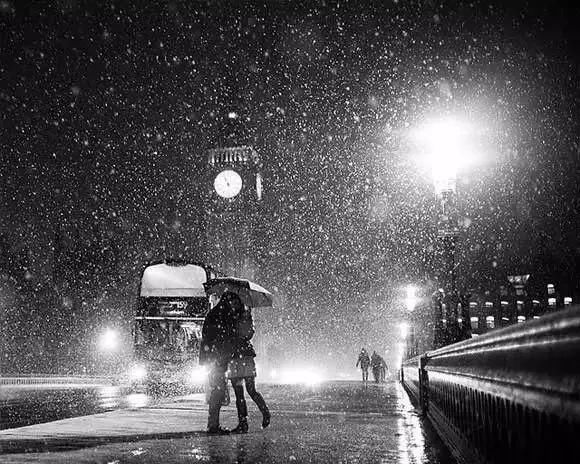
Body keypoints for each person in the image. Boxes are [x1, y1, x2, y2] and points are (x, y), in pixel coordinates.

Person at [227, 299, 271, 433]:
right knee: (251, 390)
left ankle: (243, 423)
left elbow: (229, 335)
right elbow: (250, 334)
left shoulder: (231, 317)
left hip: (236, 356)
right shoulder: (247, 316)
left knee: (240, 393)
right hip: (246, 355)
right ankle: (265, 412)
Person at [199, 291, 237, 435]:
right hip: (216, 359)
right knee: (218, 391)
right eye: (232, 302)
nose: (234, 305)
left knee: (217, 390)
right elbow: (219, 337)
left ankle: (213, 423)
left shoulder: (216, 314)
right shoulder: (221, 316)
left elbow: (207, 336)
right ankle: (213, 425)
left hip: (214, 357)